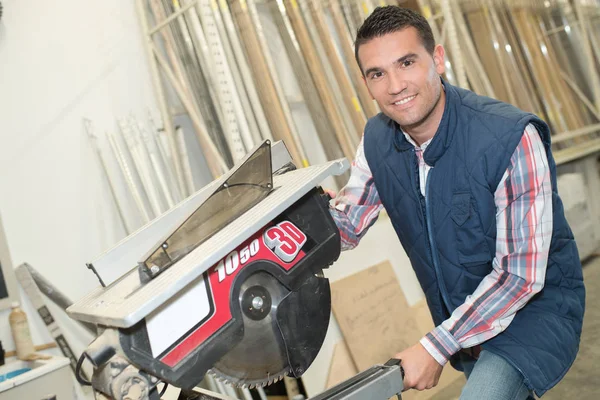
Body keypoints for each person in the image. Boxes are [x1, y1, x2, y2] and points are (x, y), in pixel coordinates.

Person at [327, 6, 585, 400]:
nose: (395, 85)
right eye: (377, 73)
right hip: (463, 315)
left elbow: (519, 276)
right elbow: (347, 227)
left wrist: (435, 345)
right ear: (366, 83)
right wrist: (306, 218)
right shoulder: (377, 141)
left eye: (407, 62)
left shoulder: (509, 137)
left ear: (439, 59)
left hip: (532, 310)